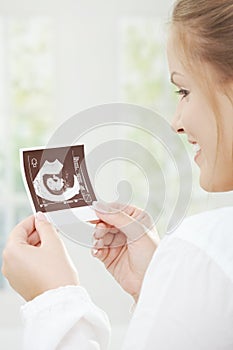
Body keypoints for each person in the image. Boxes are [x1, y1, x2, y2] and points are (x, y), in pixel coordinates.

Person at [2, 0, 233, 349]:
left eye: (184, 91)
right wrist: (161, 288)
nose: (176, 122)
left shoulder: (205, 247)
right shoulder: (204, 257)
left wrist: (53, 302)